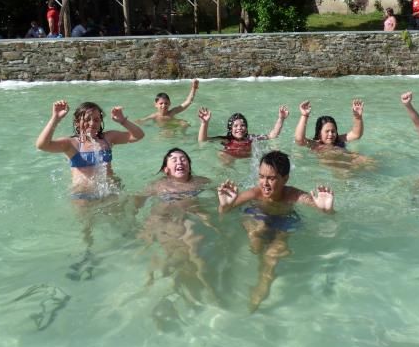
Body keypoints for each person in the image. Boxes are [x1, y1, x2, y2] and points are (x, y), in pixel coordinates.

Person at [217, 150, 334, 310]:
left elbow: (318, 207)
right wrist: (224, 206)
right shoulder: (254, 193)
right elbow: (225, 211)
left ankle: (262, 287)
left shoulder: (293, 195)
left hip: (284, 220)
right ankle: (258, 258)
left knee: (274, 252)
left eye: (271, 178)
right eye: (261, 176)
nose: (264, 183)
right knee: (257, 237)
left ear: (285, 178)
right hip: (257, 216)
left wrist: (326, 210)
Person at [137, 148, 215, 307]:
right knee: (169, 253)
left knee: (193, 244)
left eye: (183, 159)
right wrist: (144, 225)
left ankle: (203, 281)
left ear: (189, 166)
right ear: (166, 169)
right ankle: (163, 284)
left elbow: (218, 193)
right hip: (163, 219)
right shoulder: (158, 185)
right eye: (174, 159)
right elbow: (138, 200)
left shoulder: (200, 182)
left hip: (191, 216)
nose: (179, 161)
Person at [36, 100, 145, 198]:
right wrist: (55, 119)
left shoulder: (108, 138)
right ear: (77, 123)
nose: (92, 123)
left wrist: (123, 121)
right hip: (83, 194)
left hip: (110, 191)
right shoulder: (71, 143)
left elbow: (138, 136)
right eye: (87, 119)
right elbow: (42, 145)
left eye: (96, 120)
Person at [198, 105, 289, 158]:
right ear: (230, 129)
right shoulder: (227, 140)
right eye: (235, 126)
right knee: (222, 154)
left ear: (246, 128)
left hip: (248, 157)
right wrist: (204, 123)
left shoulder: (251, 138)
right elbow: (203, 140)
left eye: (242, 125)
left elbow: (272, 136)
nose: (239, 128)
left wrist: (281, 118)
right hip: (231, 157)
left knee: (274, 152)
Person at [295, 99, 364, 151]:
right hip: (334, 166)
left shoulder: (339, 140)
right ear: (319, 133)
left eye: (333, 131)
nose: (330, 134)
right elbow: (299, 140)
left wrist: (357, 117)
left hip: (349, 159)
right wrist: (304, 115)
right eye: (327, 131)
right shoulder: (315, 144)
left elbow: (356, 134)